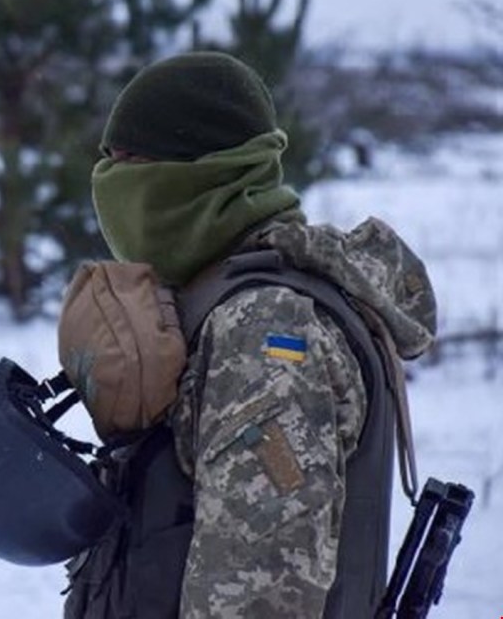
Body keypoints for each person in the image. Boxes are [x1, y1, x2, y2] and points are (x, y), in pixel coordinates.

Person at [61, 51, 437, 618]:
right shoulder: (215, 294)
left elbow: (259, 590)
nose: (112, 184)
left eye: (132, 162)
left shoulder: (266, 326)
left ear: (201, 171)